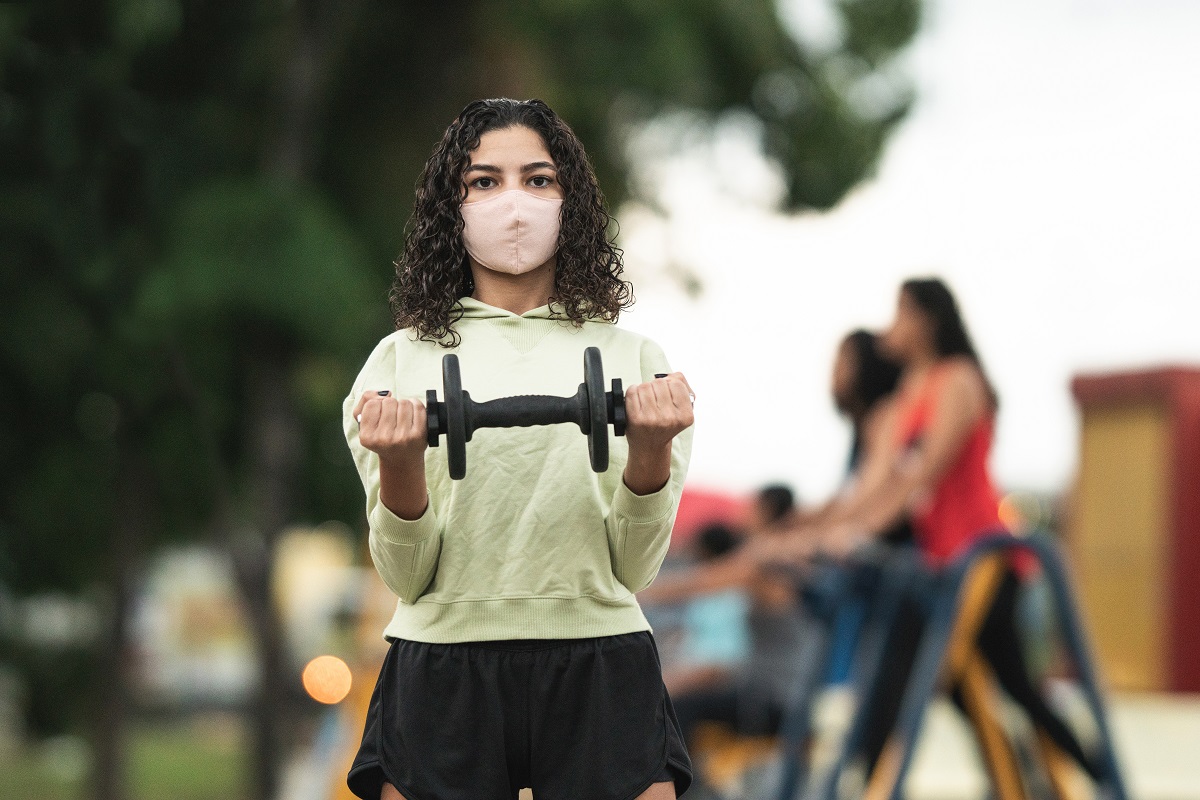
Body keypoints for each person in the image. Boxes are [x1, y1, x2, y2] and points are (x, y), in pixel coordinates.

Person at [343, 98, 696, 800]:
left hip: (598, 655)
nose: (513, 203)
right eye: (484, 182)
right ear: (454, 205)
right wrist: (402, 463)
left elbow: (635, 567)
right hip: (445, 661)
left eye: (538, 180)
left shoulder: (634, 359)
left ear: (572, 200)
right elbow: (406, 577)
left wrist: (650, 451)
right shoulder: (397, 365)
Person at [804, 278, 1100, 783]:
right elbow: (889, 485)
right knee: (976, 688)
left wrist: (860, 530)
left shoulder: (959, 379)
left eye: (899, 314)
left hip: (985, 560)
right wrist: (842, 531)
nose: (889, 328)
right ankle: (1036, 781)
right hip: (943, 562)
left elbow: (925, 471)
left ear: (926, 319)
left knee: (985, 685)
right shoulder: (911, 391)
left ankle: (1098, 775)